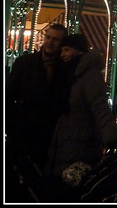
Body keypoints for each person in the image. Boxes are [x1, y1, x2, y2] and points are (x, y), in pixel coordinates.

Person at [43, 34, 117, 201]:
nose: (63, 54)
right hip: (65, 141)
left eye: (67, 50)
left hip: (79, 143)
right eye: (62, 50)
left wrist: (112, 138)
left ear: (78, 50)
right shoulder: (69, 73)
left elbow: (99, 106)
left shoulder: (88, 74)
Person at [5, 23, 68, 201]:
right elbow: (8, 97)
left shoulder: (64, 69)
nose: (49, 42)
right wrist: (11, 126)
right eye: (48, 37)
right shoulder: (24, 63)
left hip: (47, 135)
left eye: (55, 39)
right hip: (21, 131)